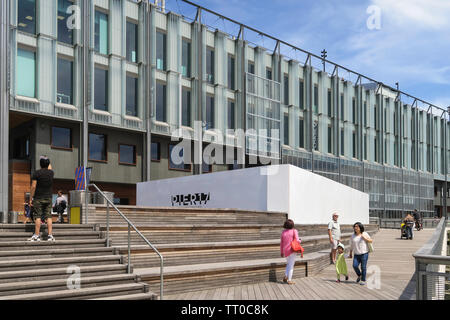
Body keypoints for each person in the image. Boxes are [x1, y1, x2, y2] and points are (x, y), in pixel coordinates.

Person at [28, 156, 56, 242]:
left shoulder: (37, 173)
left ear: (40, 164)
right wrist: (47, 159)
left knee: (38, 216)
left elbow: (33, 186)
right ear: (48, 164)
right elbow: (50, 167)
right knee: (49, 216)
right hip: (48, 197)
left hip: (38, 198)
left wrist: (30, 198)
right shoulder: (51, 173)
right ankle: (50, 236)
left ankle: (36, 235)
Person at [280, 219, 301, 285]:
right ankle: (289, 280)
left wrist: (281, 252)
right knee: (291, 265)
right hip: (292, 250)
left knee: (288, 264)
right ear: (292, 225)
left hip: (285, 250)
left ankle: (286, 276)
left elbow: (281, 243)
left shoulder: (283, 232)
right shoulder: (294, 231)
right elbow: (297, 240)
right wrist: (300, 240)